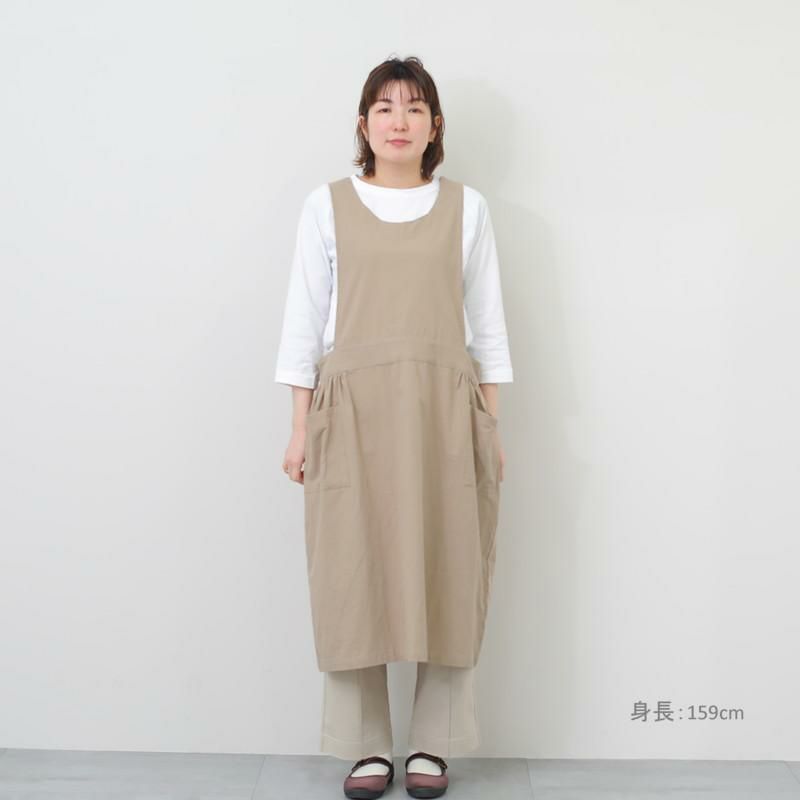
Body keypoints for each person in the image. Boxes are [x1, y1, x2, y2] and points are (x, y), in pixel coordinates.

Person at [274, 55, 513, 799]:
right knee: (352, 570)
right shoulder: (326, 206)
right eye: (384, 108)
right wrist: (299, 429)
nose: (398, 121)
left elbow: (488, 328)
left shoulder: (467, 209)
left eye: (413, 108)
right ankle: (365, 745)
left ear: (435, 126)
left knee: (450, 563)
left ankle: (434, 742)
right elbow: (303, 325)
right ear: (363, 124)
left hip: (444, 409)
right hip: (351, 411)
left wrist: (490, 427)